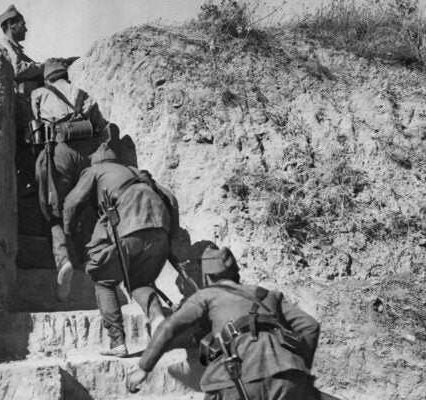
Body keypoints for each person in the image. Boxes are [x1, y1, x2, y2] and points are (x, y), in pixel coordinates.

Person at [126, 247, 321, 400]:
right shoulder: (266, 295)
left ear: (207, 277)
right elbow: (310, 326)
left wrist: (144, 368)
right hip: (288, 377)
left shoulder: (207, 296)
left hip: (236, 379)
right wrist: (300, 366)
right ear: (235, 272)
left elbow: (168, 327)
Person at [62, 144, 179, 357]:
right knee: (140, 282)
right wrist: (169, 237)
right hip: (160, 230)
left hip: (128, 228)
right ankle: (158, 319)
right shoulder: (139, 173)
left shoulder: (95, 170)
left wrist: (67, 234)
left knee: (103, 279)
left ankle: (117, 342)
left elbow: (72, 203)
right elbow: (170, 198)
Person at [32, 62, 110, 302]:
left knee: (52, 210)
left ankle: (63, 260)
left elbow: (35, 125)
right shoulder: (82, 93)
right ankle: (92, 260)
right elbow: (103, 130)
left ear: (47, 80)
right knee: (85, 207)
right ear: (66, 75)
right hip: (88, 153)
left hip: (59, 151)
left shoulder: (39, 93)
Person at [0, 4, 78, 236]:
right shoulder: (6, 47)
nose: (27, 29)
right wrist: (47, 67)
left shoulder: (17, 49)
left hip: (27, 120)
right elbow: (20, 70)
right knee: (30, 170)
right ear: (11, 25)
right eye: (23, 24)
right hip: (21, 119)